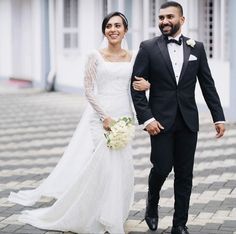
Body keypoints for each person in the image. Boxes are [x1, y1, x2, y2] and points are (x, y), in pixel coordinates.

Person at [8, 12, 149, 234]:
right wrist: (105, 117)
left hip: (124, 116)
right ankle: (93, 214)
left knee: (122, 167)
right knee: (104, 166)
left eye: (118, 25)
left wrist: (146, 85)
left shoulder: (133, 56)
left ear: (125, 30)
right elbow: (89, 90)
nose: (113, 29)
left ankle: (113, 214)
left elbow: (136, 83)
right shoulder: (95, 55)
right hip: (101, 118)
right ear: (104, 30)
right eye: (109, 26)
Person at [131, 2, 226, 234]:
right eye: (161, 17)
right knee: (162, 168)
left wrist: (218, 117)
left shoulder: (197, 48)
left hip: (188, 121)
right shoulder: (148, 47)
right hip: (160, 122)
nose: (164, 21)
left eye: (169, 17)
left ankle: (179, 224)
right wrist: (147, 119)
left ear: (182, 20)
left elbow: (207, 84)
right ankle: (151, 205)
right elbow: (135, 87)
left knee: (185, 175)